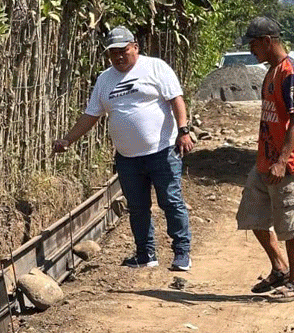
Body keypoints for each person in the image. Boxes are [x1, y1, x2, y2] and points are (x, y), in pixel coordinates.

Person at [53, 26, 194, 271]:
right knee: (137, 208)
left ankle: (182, 253)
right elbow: (91, 115)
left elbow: (176, 99)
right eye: (113, 52)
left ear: (135, 47)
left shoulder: (155, 67)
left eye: (123, 50)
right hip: (127, 158)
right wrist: (68, 140)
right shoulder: (105, 79)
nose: (118, 56)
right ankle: (145, 254)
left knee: (171, 202)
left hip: (162, 151)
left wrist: (183, 131)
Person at [236, 17, 294, 301]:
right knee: (251, 214)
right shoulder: (272, 71)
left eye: (254, 44)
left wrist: (282, 161)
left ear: (267, 41)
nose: (251, 50)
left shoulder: (290, 72)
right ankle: (279, 267)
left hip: (285, 164)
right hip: (265, 161)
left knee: (290, 222)